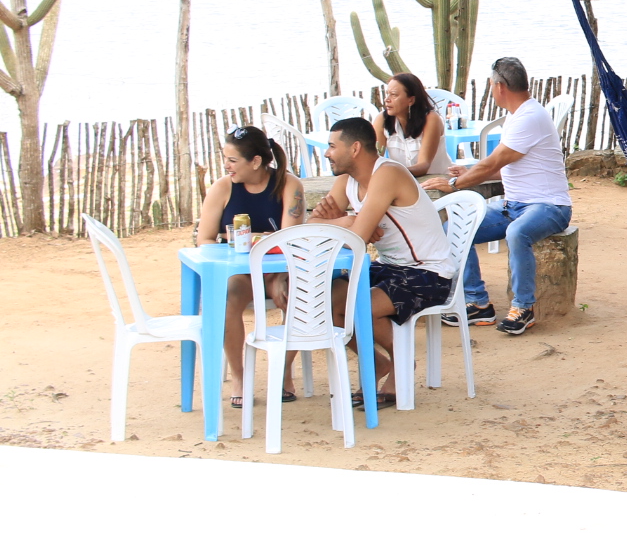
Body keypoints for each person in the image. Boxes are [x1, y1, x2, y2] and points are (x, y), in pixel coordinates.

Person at [310, 116, 458, 409]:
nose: (326, 153)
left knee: (357, 306)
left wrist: (352, 226)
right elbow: (314, 225)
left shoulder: (388, 174)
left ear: (354, 148)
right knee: (325, 300)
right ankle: (379, 363)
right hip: (389, 267)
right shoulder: (346, 182)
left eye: (332, 146)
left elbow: (357, 239)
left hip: (428, 272)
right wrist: (347, 221)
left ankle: (402, 363)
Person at [421, 57, 571, 335]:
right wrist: (468, 172)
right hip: (512, 205)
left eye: (491, 85)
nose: (491, 90)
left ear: (499, 87)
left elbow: (493, 162)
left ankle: (523, 308)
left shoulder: (530, 117)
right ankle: (478, 302)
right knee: (455, 228)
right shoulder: (517, 115)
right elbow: (505, 166)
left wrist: (455, 184)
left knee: (517, 232)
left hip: (550, 206)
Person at [194, 124, 304, 409]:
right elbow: (204, 239)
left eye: (232, 160)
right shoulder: (222, 188)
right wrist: (258, 238)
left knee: (298, 295)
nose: (226, 166)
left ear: (255, 161)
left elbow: (290, 239)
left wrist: (251, 241)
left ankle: (283, 369)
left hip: (279, 271)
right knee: (227, 299)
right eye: (225, 159)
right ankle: (239, 376)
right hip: (240, 272)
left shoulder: (288, 185)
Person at [374, 71, 451, 178]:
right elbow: (375, 159)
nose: (387, 99)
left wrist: (391, 173)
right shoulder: (382, 119)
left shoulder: (431, 119)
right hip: (404, 180)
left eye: (394, 95)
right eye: (387, 94)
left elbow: (423, 166)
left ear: (411, 100)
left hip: (437, 179)